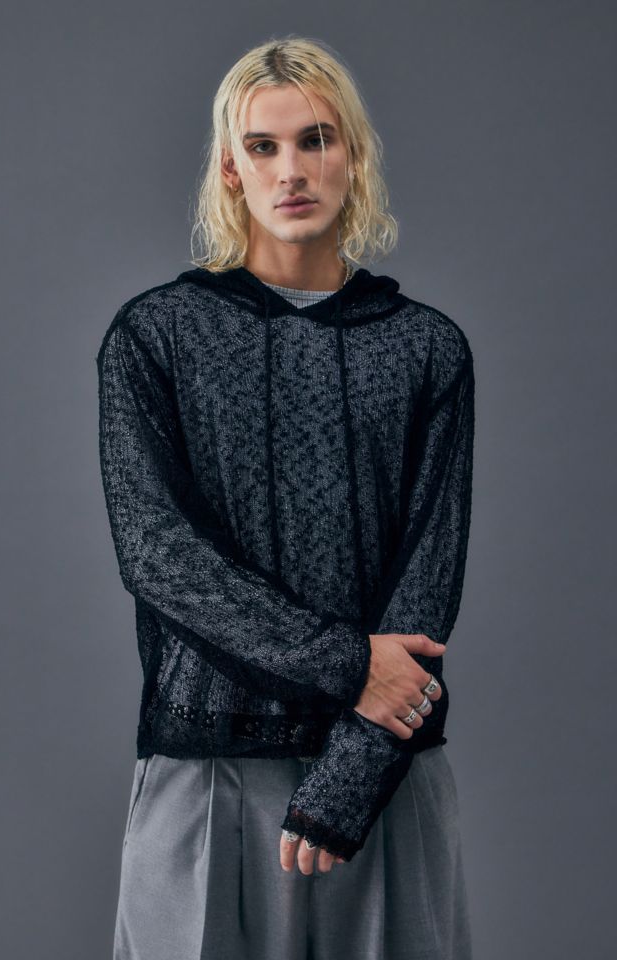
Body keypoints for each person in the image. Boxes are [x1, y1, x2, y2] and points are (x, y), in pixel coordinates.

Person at [97, 35, 475, 960]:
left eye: (316, 139)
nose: (291, 170)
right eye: (262, 147)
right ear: (230, 168)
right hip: (206, 771)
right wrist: (351, 665)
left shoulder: (428, 349)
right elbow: (157, 555)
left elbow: (427, 579)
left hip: (384, 770)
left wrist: (356, 771)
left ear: (355, 156)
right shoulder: (156, 336)